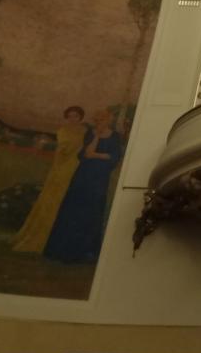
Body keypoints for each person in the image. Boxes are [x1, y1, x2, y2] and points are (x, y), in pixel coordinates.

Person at [43, 108, 124, 263]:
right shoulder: (90, 134)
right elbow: (85, 154)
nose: (99, 123)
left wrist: (96, 155)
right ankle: (62, 250)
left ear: (109, 121)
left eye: (102, 120)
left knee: (92, 210)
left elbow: (114, 157)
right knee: (73, 208)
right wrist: (96, 137)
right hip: (83, 175)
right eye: (97, 120)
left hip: (99, 178)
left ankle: (85, 253)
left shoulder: (114, 137)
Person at [13, 105, 91, 255]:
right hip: (62, 169)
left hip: (78, 168)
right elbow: (64, 150)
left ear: (81, 117)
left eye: (75, 116)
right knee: (54, 200)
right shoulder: (63, 131)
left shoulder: (85, 132)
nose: (72, 119)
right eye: (69, 116)